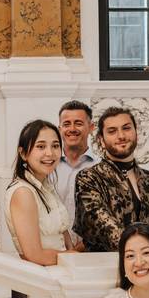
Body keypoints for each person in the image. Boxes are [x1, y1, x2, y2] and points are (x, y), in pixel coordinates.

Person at [2, 120, 77, 298]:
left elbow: (63, 234)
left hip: (58, 279)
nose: (50, 153)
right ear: (24, 153)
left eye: (55, 146)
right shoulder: (23, 192)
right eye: (41, 147)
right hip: (37, 283)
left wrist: (73, 252)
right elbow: (32, 252)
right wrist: (72, 258)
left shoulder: (46, 187)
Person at [74, 106, 149, 252]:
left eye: (126, 128)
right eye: (112, 131)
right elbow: (102, 227)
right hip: (104, 267)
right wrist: (139, 252)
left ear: (136, 132)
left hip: (148, 268)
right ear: (101, 140)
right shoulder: (89, 178)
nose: (121, 136)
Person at [48, 100, 96, 247]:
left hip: (91, 252)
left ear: (91, 127)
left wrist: (82, 247)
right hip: (53, 251)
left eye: (79, 123)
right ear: (60, 129)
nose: (72, 128)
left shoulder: (101, 168)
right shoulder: (48, 167)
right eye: (67, 124)